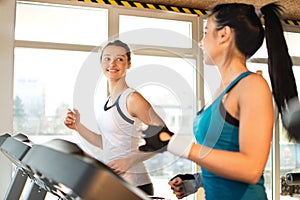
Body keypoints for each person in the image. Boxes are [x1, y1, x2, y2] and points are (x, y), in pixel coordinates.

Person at [138, 2, 299, 199]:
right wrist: (197, 181)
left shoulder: (252, 86)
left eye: (206, 32)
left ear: (224, 35)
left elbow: (251, 168)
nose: (200, 42)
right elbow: (225, 152)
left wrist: (173, 143)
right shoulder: (221, 91)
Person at [64, 40, 166, 196]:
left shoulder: (132, 98)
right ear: (101, 63)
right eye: (107, 58)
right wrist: (78, 126)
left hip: (135, 185)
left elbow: (165, 137)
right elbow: (105, 143)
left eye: (119, 59)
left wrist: (130, 160)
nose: (112, 63)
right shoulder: (107, 102)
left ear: (128, 64)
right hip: (114, 184)